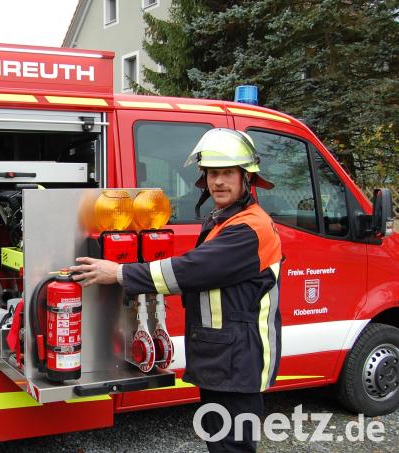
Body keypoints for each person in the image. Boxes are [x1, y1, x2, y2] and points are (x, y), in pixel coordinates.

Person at [70, 128, 283, 453]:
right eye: (211, 173)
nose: (217, 182)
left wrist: (119, 272)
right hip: (226, 359)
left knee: (232, 446)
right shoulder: (227, 220)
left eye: (227, 173)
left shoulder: (249, 229)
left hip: (237, 363)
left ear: (247, 177)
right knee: (221, 441)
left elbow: (189, 271)